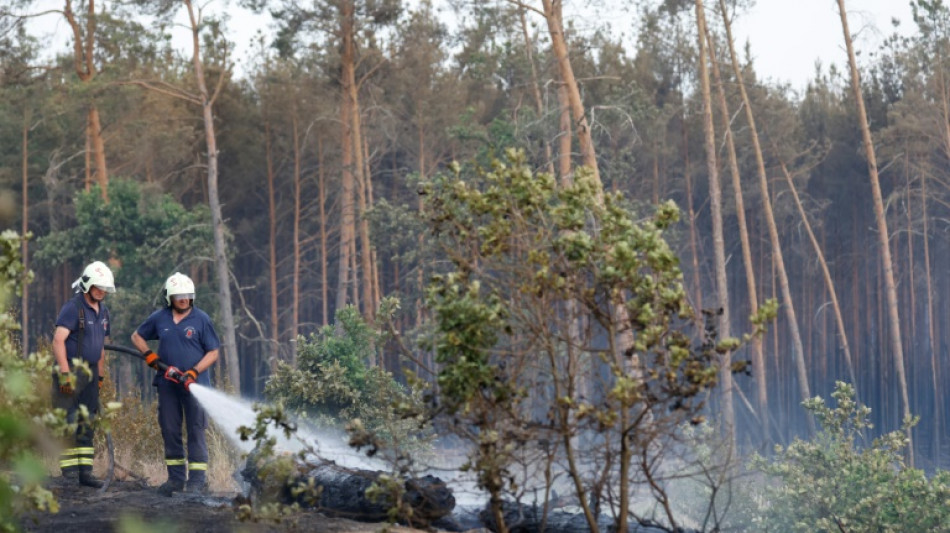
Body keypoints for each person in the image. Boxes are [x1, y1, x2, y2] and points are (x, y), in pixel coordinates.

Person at [131, 272, 219, 496]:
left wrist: (193, 371)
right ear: (169, 297)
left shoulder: (202, 319)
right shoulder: (159, 318)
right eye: (179, 295)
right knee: (170, 430)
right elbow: (136, 337)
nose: (184, 299)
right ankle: (176, 480)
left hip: (195, 385)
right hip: (167, 385)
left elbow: (213, 352)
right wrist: (150, 355)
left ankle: (197, 481)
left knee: (196, 430)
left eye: (188, 295)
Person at [52, 260, 115, 488]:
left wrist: (99, 378)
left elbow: (100, 348)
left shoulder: (104, 312)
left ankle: (85, 474)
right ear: (87, 285)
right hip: (69, 369)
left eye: (104, 288)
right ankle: (68, 474)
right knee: (68, 420)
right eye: (98, 287)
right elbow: (58, 341)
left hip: (90, 374)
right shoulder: (73, 307)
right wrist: (66, 374)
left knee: (87, 422)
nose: (101, 291)